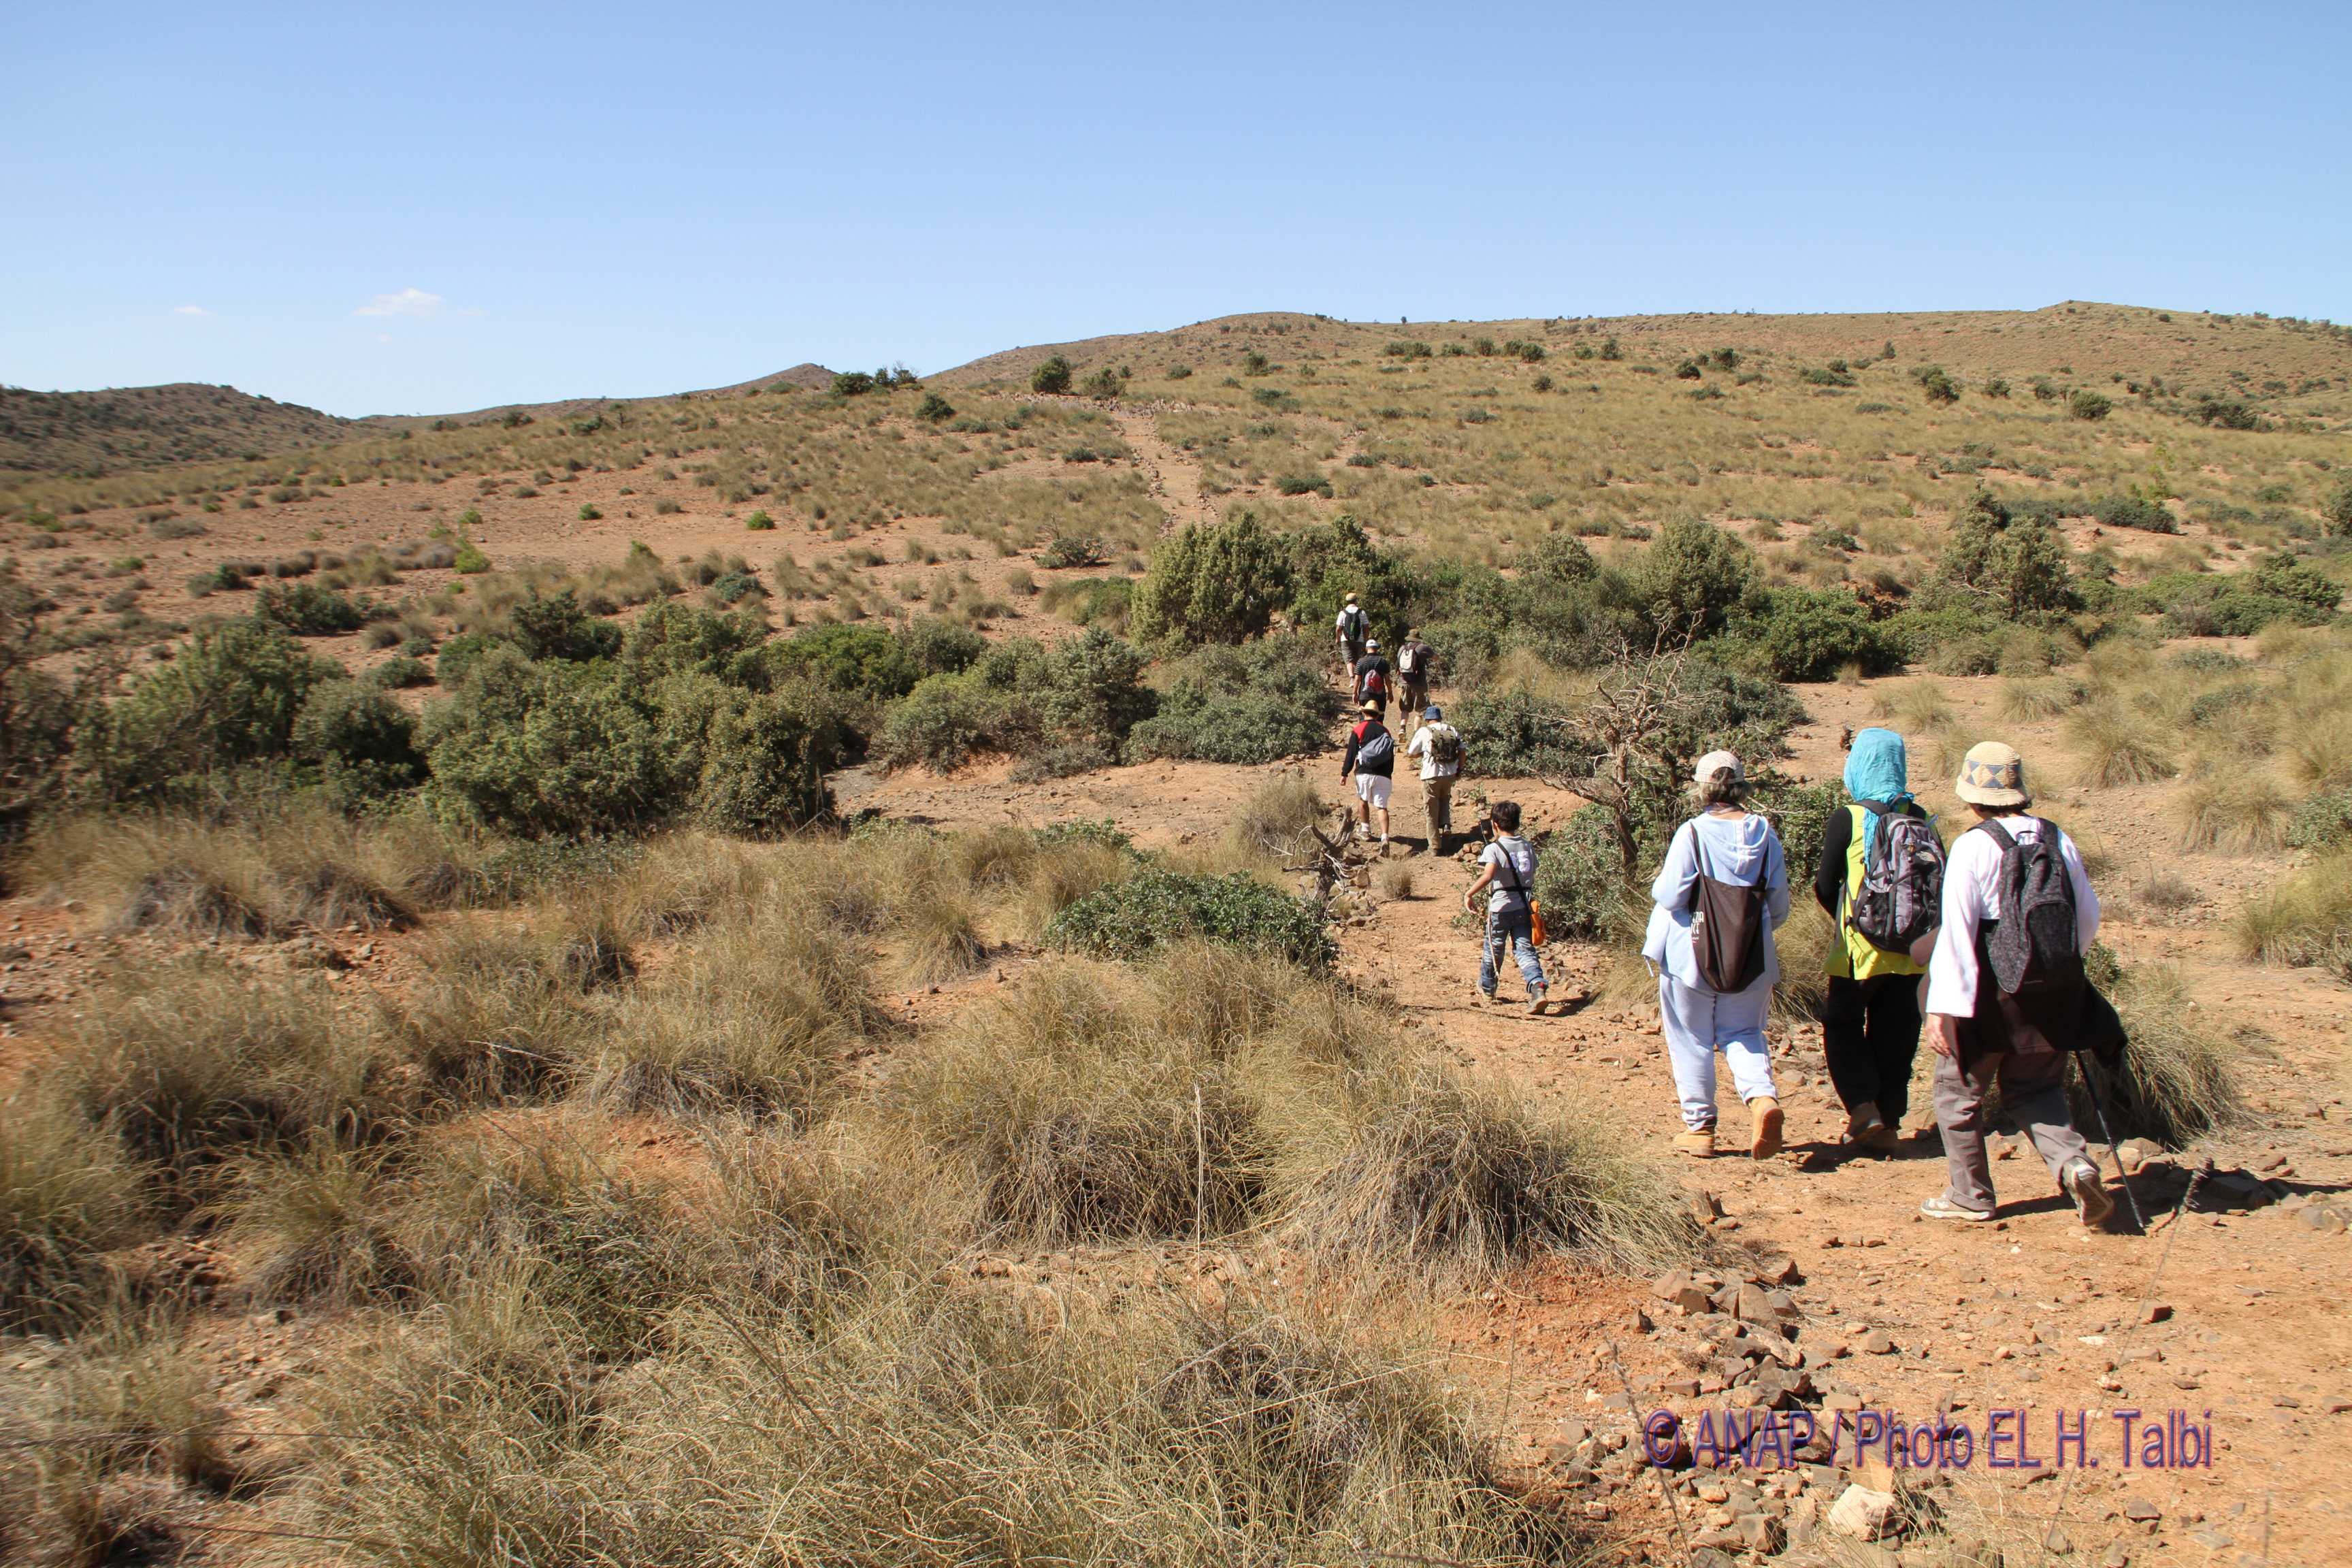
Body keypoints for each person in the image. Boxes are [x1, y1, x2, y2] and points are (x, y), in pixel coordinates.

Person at [1920, 742, 2114, 1227]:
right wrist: (2054, 967)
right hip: (2053, 992)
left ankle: (1969, 1195)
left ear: (1972, 795)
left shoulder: (1973, 845)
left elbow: (1959, 931)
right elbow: (2088, 917)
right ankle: (2075, 1164)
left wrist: (1943, 1008)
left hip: (1988, 993)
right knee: (2037, 1087)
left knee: (1957, 1094)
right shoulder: (2057, 838)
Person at [1643, 751, 1790, 1160]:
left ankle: (1701, 1128)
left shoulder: (1692, 833)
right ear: (1741, 786)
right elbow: (1779, 907)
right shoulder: (1766, 834)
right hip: (1752, 956)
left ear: (1702, 788)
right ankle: (1762, 1099)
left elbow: (1671, 896)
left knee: (1691, 1038)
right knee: (1743, 1032)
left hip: (1690, 954)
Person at [1814, 728, 1931, 1153]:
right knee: (1897, 1035)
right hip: (1912, 950)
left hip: (1860, 950)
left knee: (1842, 1023)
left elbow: (1824, 885)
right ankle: (1889, 1126)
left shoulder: (1849, 817)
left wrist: (1851, 921)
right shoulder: (1919, 816)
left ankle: (1863, 1106)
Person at [1463, 799, 1548, 1015]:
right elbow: (1531, 871)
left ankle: (1488, 988)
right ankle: (1537, 986)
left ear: (1495, 824)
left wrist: (1469, 893)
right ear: (1517, 823)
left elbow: (1489, 875)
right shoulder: (1527, 846)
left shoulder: (1494, 848)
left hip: (1500, 909)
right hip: (1523, 908)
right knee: (1525, 949)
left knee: (1494, 949)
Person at [1405, 703, 1463, 851]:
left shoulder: (1424, 731)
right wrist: (1459, 770)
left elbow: (1411, 753)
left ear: (1427, 720)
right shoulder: (1451, 729)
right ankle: (1446, 824)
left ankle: (1435, 846)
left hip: (1431, 774)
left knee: (1431, 811)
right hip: (1450, 774)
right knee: (1445, 798)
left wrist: (1422, 754)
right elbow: (1463, 752)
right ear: (1440, 718)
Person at [1339, 699, 1394, 843]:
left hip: (1364, 772)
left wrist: (1345, 773)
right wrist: (1389, 773)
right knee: (1381, 807)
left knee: (1363, 800)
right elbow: (1390, 753)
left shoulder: (1359, 729)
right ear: (1377, 715)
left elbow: (1351, 753)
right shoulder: (1385, 731)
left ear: (1364, 713)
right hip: (1383, 774)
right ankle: (1385, 838)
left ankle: (1366, 831)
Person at [1394, 630, 1435, 732]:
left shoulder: (1402, 648)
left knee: (1405, 708)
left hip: (1405, 682)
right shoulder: (1423, 647)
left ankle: (1402, 729)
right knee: (1420, 710)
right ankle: (1416, 732)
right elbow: (1436, 657)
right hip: (1419, 683)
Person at [1335, 592, 1369, 696]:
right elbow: (1366, 627)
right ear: (1356, 601)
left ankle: (1352, 679)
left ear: (1347, 601)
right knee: (1356, 659)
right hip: (1359, 639)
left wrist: (1338, 639)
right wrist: (1366, 639)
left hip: (1345, 639)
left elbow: (1338, 628)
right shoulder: (1362, 612)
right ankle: (1358, 679)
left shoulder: (1343, 613)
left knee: (1349, 660)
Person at [1354, 638, 1393, 717]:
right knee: (1379, 718)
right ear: (1377, 649)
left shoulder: (1361, 662)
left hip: (1364, 695)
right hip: (1380, 696)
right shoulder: (1383, 661)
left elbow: (1357, 679)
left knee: (1364, 718)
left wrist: (1355, 693)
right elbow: (1387, 679)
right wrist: (1390, 692)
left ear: (1366, 648)